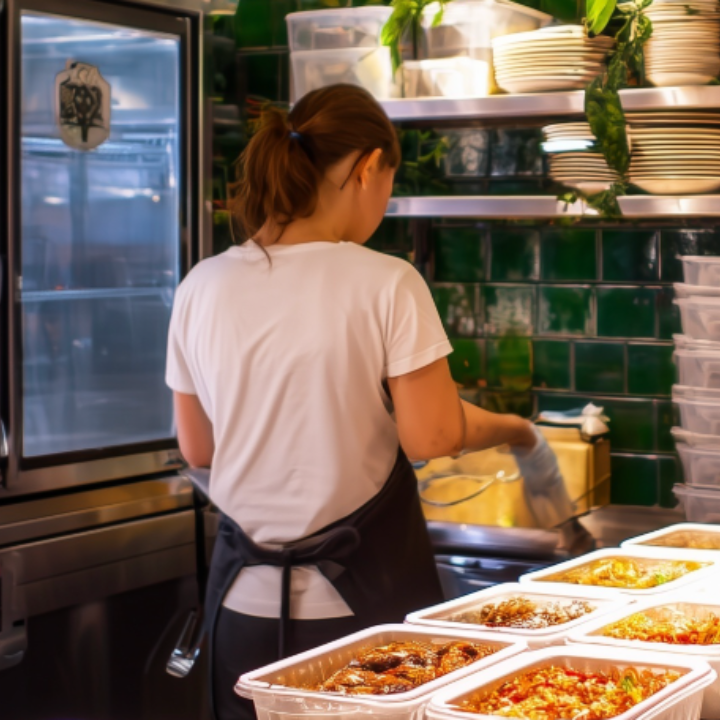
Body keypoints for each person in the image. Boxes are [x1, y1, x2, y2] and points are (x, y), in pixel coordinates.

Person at [164, 84, 562, 720]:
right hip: (358, 617)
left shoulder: (200, 285)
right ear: (368, 167)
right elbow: (431, 436)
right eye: (388, 183)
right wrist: (518, 430)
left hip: (239, 608)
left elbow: (199, 448)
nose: (386, 200)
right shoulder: (386, 282)